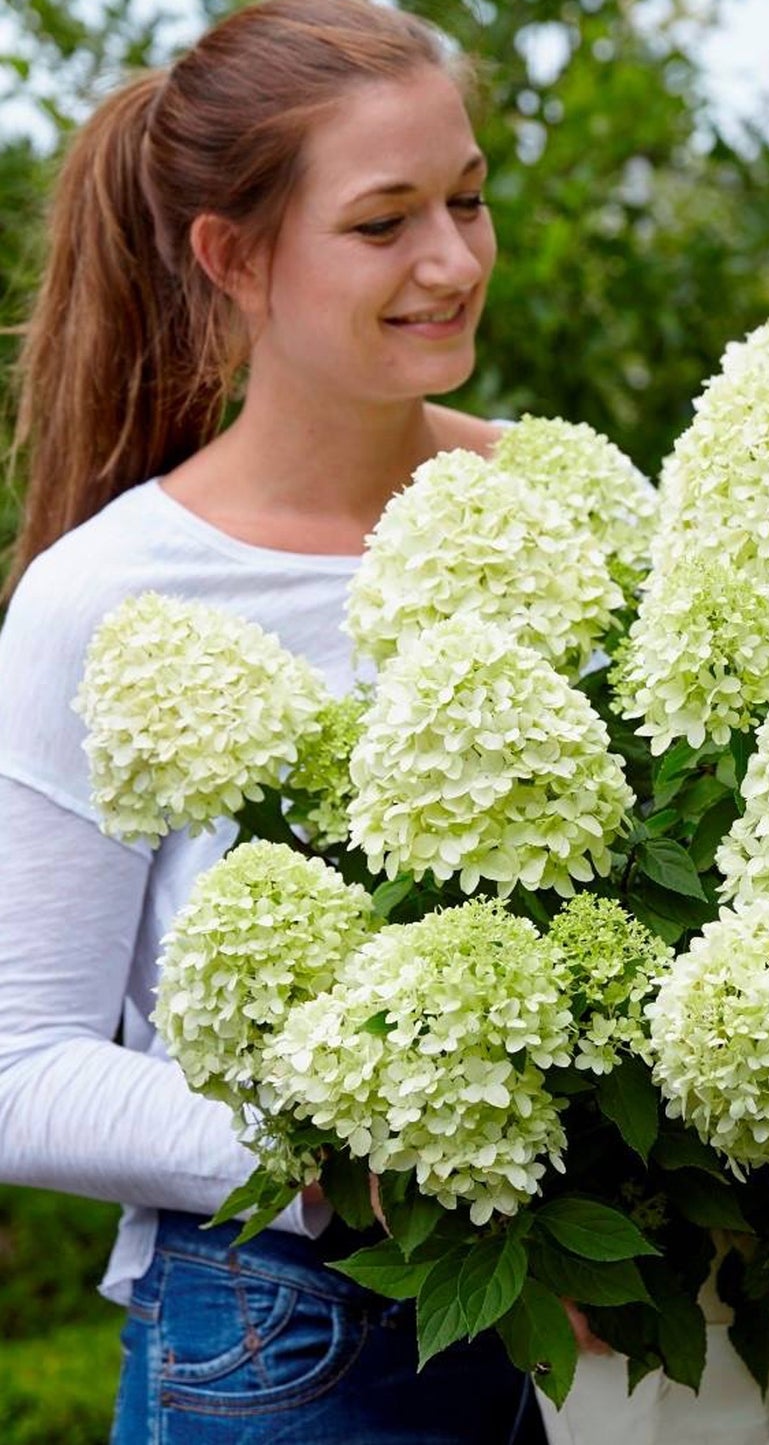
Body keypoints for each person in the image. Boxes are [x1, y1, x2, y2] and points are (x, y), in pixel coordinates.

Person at [0, 2, 547, 1440]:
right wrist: (356, 1156)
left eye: (469, 200)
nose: (452, 261)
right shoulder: (101, 597)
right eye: (384, 223)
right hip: (291, 1339)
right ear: (232, 256)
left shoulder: (563, 507)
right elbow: (21, 1067)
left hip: (604, 1323)